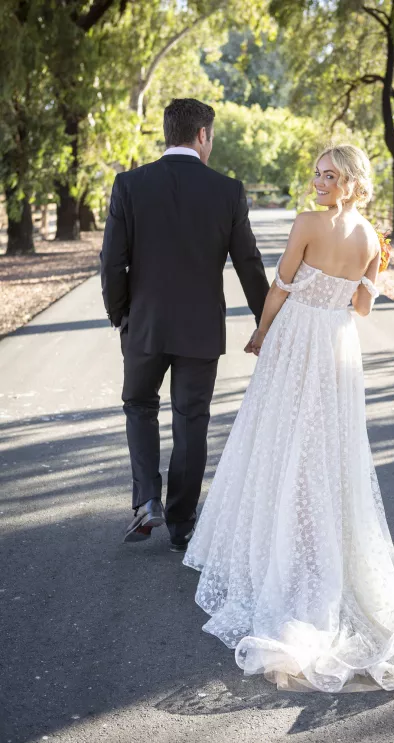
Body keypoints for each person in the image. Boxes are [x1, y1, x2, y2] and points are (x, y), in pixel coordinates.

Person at [183, 145, 394, 692]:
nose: (318, 182)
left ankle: (280, 542)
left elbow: (281, 286)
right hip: (337, 341)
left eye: (329, 175)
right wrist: (373, 269)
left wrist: (262, 333)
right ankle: (315, 538)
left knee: (279, 432)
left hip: (298, 337)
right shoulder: (372, 239)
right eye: (316, 173)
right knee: (327, 443)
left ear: (351, 180)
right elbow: (362, 308)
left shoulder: (309, 223)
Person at [100, 98, 269, 551]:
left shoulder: (129, 184)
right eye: (211, 137)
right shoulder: (228, 191)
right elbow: (249, 264)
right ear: (202, 135)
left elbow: (112, 261)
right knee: (191, 420)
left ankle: (146, 502)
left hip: (145, 325)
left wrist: (121, 315)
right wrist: (266, 322)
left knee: (139, 405)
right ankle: (181, 525)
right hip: (201, 328)